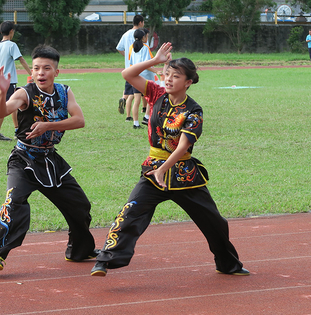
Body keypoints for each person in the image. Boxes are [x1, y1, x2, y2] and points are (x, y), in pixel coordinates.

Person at [91, 42, 250, 277]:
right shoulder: (156, 94)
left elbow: (185, 145)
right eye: (166, 74)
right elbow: (127, 74)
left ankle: (228, 264)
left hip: (184, 174)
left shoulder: (194, 111)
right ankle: (105, 260)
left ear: (188, 82)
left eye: (175, 76)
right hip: (154, 171)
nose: (168, 79)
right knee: (130, 212)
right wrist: (156, 61)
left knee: (214, 222)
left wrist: (164, 169)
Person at [0, 45, 98, 271]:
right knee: (14, 202)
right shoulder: (25, 93)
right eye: (36, 68)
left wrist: (48, 126)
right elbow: (1, 113)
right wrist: (1, 92)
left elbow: (79, 120)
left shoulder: (65, 92)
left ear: (56, 71)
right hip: (23, 159)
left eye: (46, 68)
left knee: (80, 206)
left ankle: (79, 251)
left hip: (50, 160)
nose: (40, 73)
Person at [0, 21, 32, 141]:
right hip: (9, 81)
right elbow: (21, 60)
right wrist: (32, 73)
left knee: (11, 105)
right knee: (8, 106)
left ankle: (16, 129)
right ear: (11, 31)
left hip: (0, 82)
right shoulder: (11, 45)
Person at [128, 29, 158, 129]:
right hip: (146, 77)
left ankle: (135, 123)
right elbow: (147, 64)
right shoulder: (145, 48)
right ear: (143, 37)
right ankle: (146, 117)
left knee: (137, 101)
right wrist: (156, 71)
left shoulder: (131, 48)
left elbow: (131, 63)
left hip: (136, 76)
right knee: (151, 98)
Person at [116, 14, 145, 118]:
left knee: (129, 87)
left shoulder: (126, 34)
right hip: (138, 66)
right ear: (141, 22)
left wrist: (126, 57)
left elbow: (119, 47)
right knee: (140, 90)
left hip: (128, 66)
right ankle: (144, 110)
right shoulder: (141, 34)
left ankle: (124, 99)